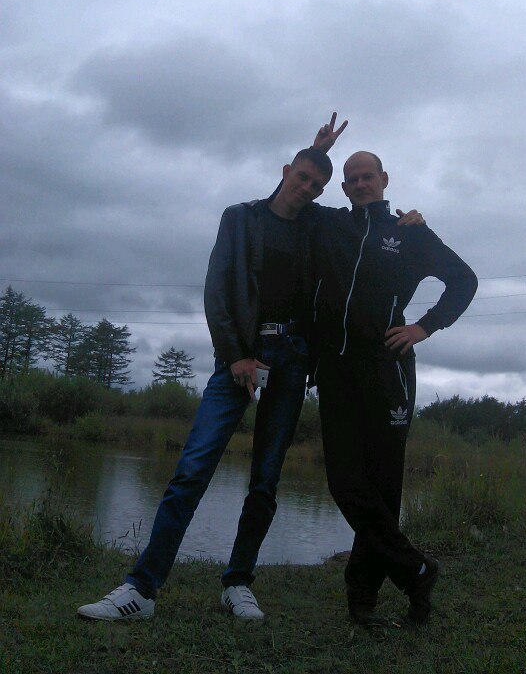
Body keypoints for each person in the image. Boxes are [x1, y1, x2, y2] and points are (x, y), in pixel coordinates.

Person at [77, 146, 336, 622]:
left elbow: (356, 220)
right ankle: (142, 589)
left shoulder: (314, 227)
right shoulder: (240, 218)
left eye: (316, 186)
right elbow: (217, 289)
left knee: (265, 480)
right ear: (284, 171)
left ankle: (238, 583)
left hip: (293, 359)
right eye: (302, 177)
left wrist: (406, 222)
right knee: (192, 469)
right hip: (241, 355)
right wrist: (235, 355)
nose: (307, 189)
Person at [308, 133, 478, 628]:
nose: (361, 183)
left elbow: (463, 280)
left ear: (384, 180)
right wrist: (317, 151)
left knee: (383, 487)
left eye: (369, 176)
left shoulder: (410, 233)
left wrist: (425, 326)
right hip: (336, 370)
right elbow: (292, 193)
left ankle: (363, 600)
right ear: (344, 188)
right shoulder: (330, 225)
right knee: (344, 482)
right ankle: (416, 569)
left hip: (388, 370)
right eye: (352, 179)